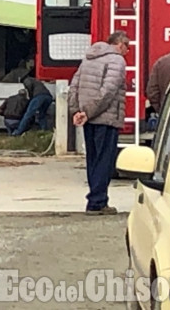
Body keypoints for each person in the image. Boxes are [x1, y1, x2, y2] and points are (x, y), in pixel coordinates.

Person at [68, 31, 129, 215]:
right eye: (128, 47)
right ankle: (97, 201)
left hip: (89, 118)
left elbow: (74, 86)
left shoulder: (88, 58)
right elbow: (108, 91)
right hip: (106, 118)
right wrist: (89, 112)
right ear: (120, 44)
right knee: (105, 160)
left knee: (93, 160)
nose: (128, 51)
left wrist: (77, 111)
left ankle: (94, 199)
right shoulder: (117, 61)